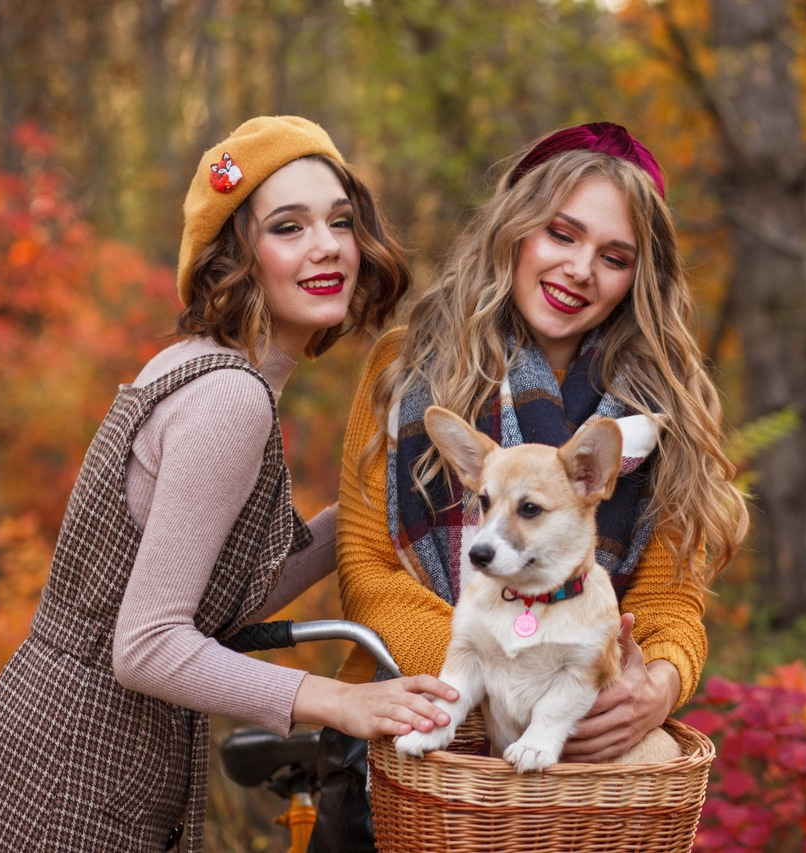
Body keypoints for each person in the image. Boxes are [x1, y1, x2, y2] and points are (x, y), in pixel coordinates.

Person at [0, 115, 458, 853]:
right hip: (77, 776)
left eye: (340, 220)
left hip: (57, 744)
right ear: (234, 257)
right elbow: (146, 644)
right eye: (288, 227)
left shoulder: (196, 366)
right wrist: (340, 701)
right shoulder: (229, 400)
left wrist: (364, 516)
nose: (327, 246)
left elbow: (212, 605)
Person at [314, 121, 750, 850]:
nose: (581, 268)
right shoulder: (408, 366)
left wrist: (658, 685)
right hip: (409, 728)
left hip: (577, 763)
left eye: (614, 256)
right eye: (561, 233)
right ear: (515, 228)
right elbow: (368, 572)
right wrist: (486, 675)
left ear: (639, 277)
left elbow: (671, 599)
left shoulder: (663, 405)